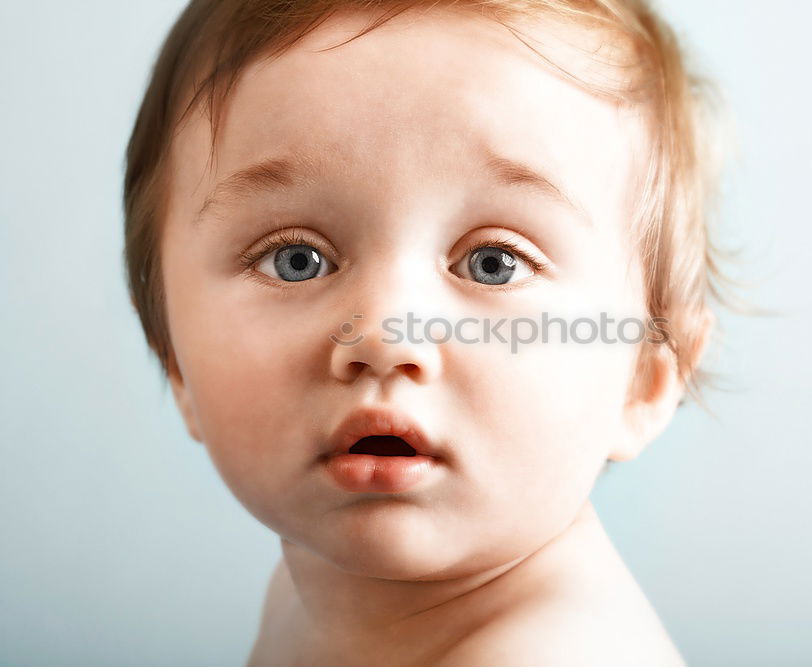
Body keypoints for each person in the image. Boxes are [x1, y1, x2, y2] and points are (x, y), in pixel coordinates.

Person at [123, 0, 729, 664]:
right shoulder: (303, 599)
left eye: (493, 263)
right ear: (176, 359)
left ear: (643, 377)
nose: (385, 335)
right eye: (295, 259)